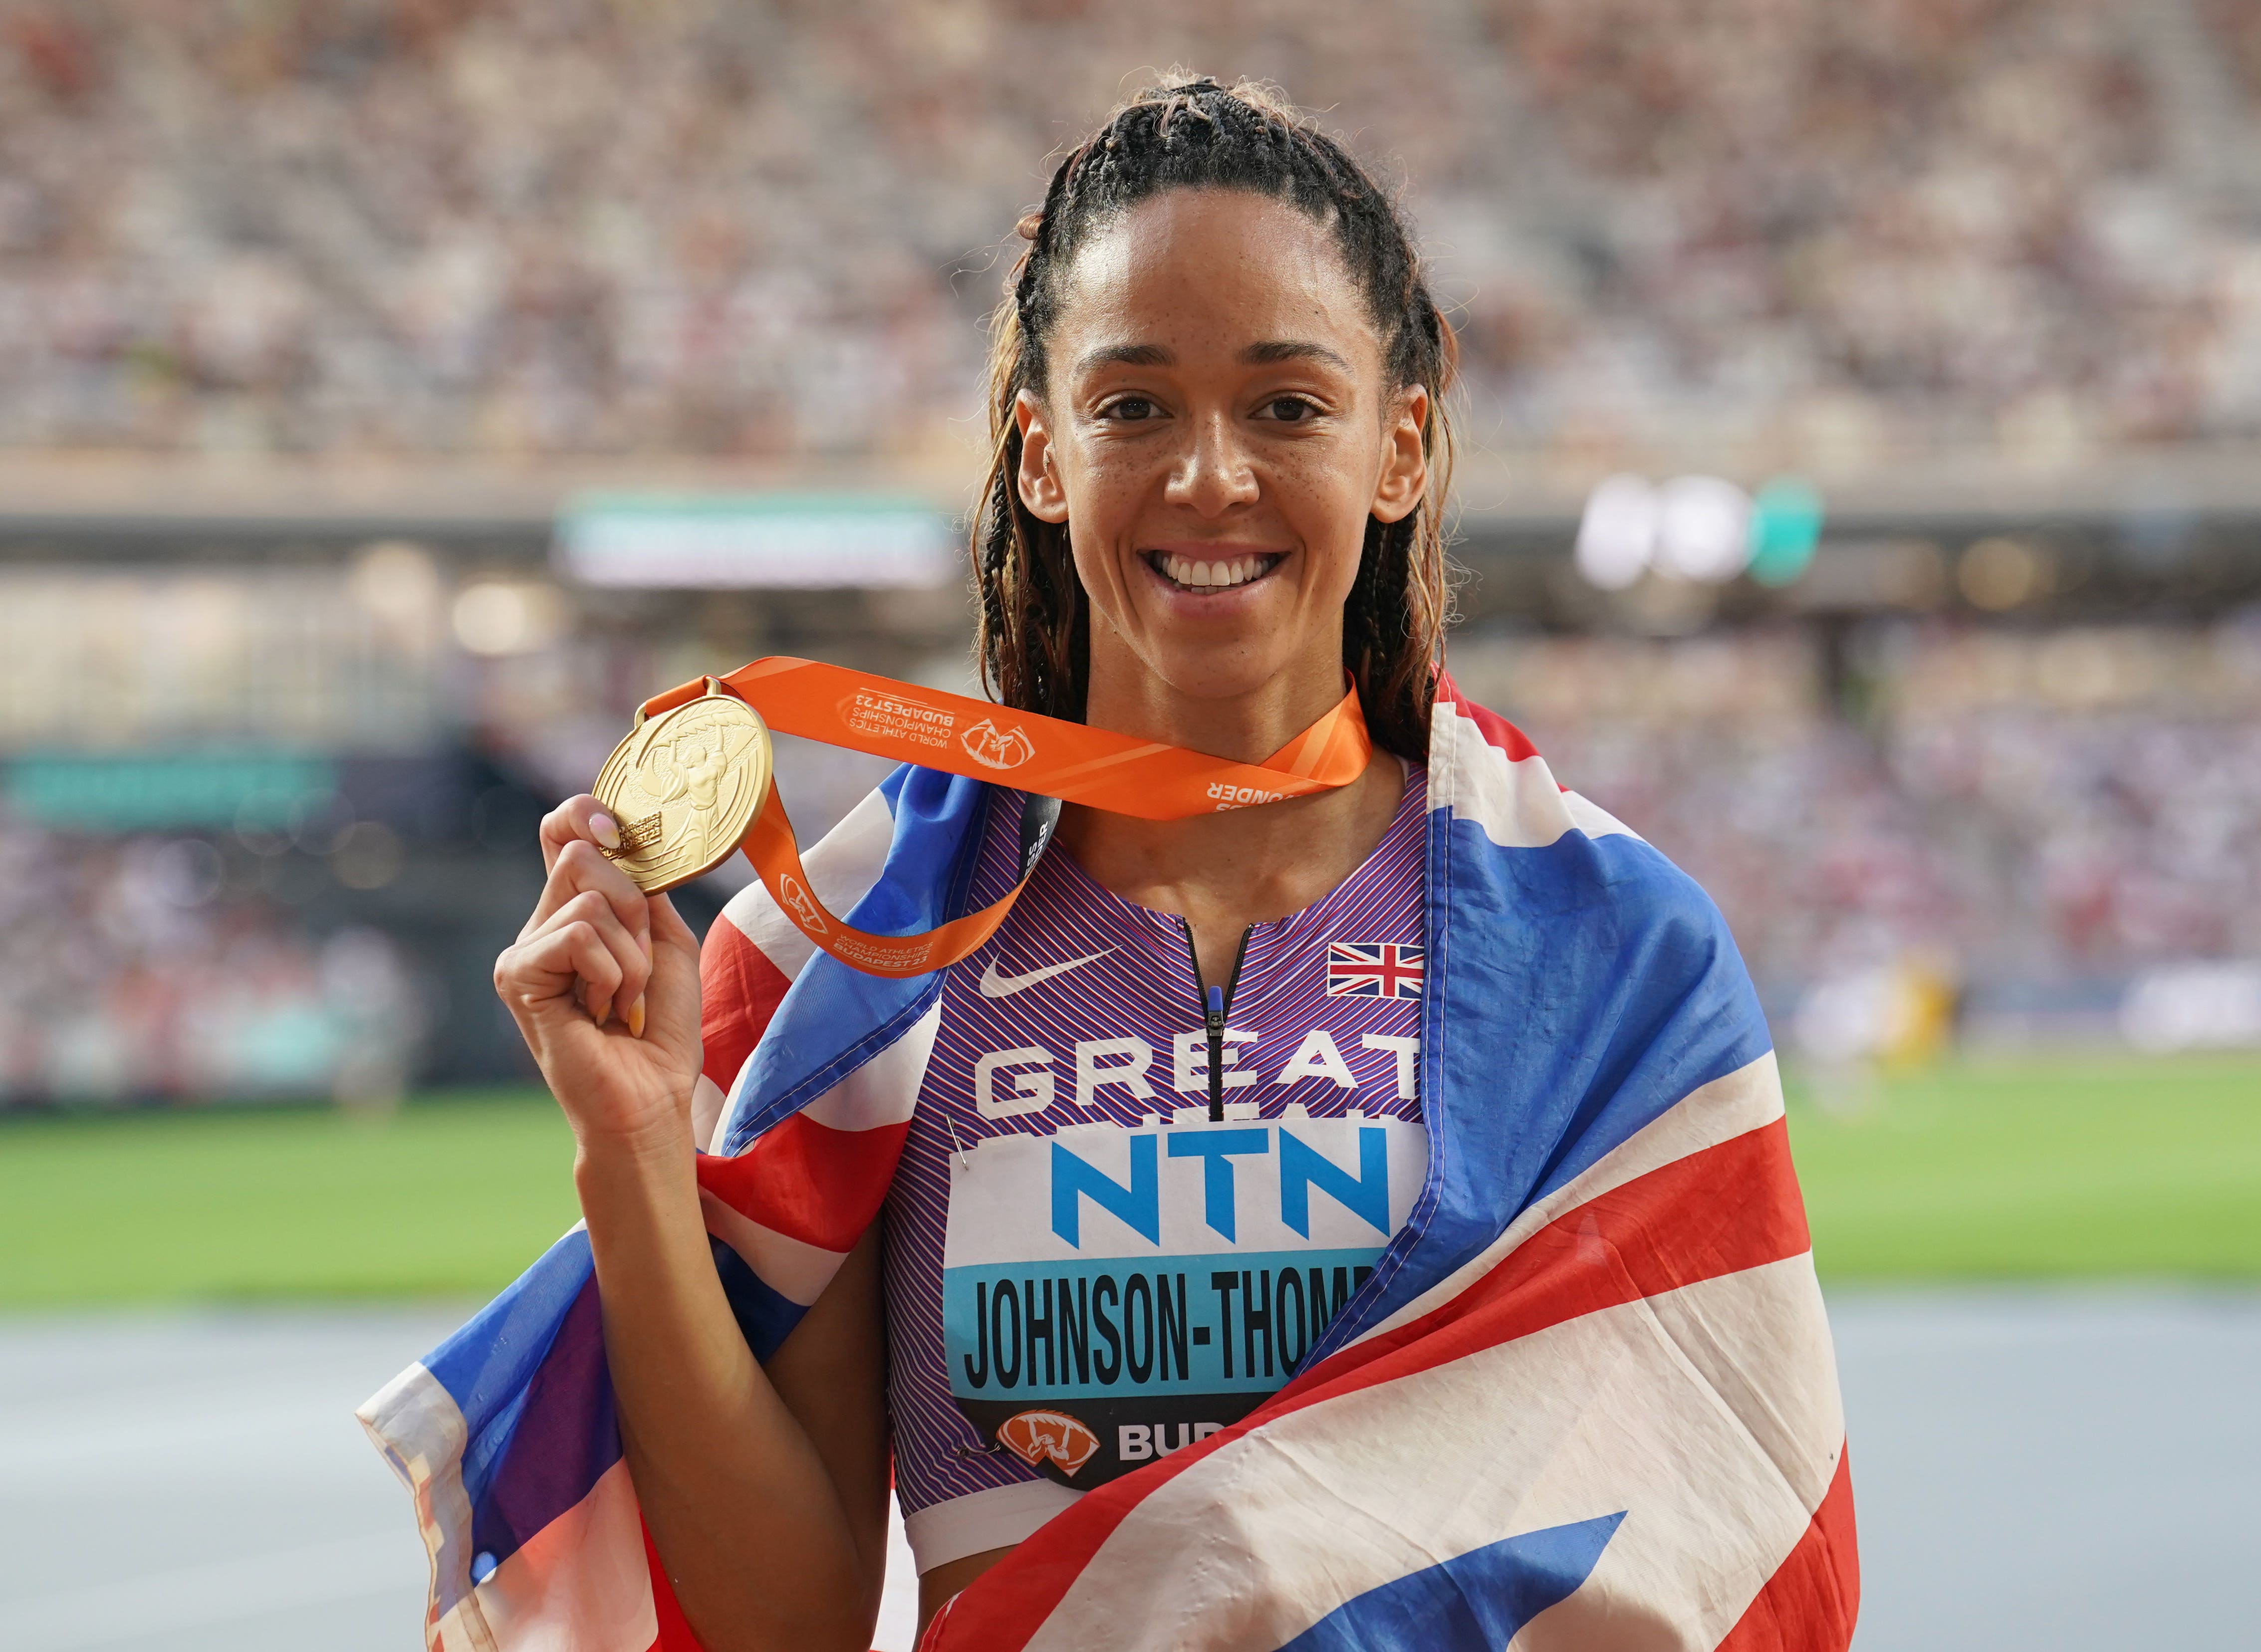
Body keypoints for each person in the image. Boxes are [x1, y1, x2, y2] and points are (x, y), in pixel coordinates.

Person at [378, 76, 1853, 1652]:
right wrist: (630, 1152)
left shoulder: (1608, 945)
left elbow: (1716, 1526)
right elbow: (784, 1628)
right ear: (1042, 454)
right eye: (1134, 406)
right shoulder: (842, 958)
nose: (1208, 476)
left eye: (1287, 406)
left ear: (1399, 447)